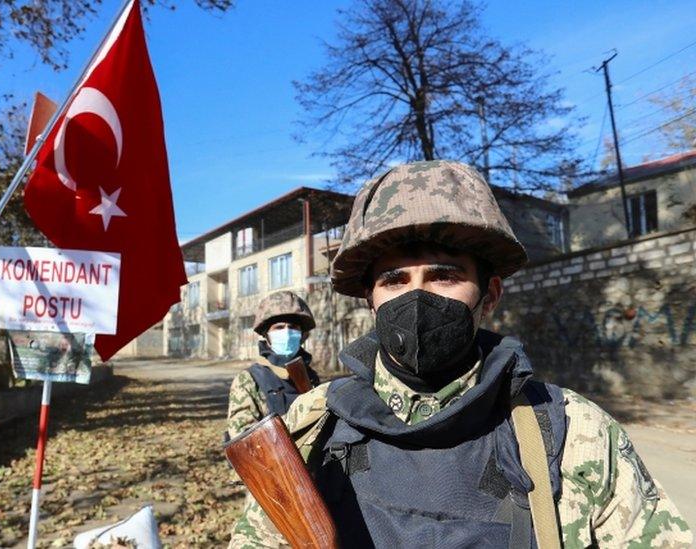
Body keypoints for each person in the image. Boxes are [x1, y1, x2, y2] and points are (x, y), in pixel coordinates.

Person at [228, 161, 692, 548]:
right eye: (393, 280)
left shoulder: (572, 433)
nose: (417, 297)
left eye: (444, 276)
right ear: (370, 298)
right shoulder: (312, 424)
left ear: (490, 295)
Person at [226, 290, 321, 440]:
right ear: (266, 334)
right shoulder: (249, 380)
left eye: (293, 327)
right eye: (279, 327)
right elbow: (245, 440)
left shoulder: (311, 376)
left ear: (302, 334)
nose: (287, 332)